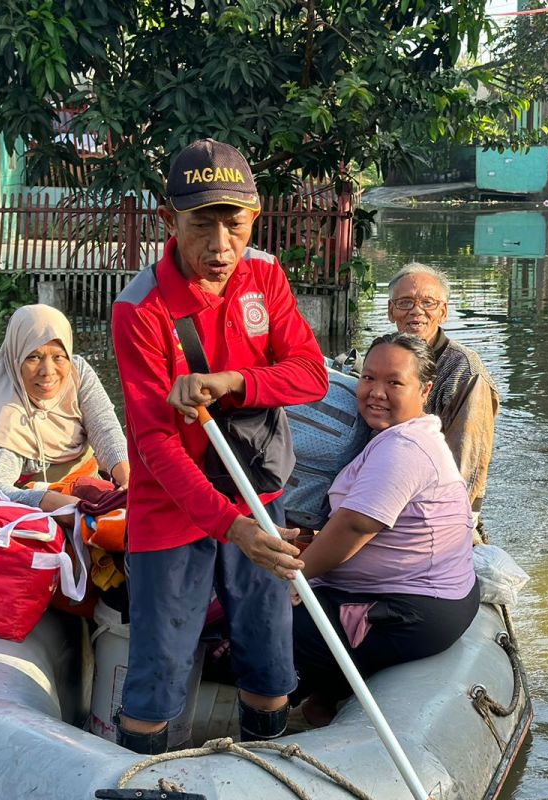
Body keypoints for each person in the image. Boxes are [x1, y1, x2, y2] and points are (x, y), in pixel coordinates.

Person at [111, 138, 329, 754]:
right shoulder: (140, 309)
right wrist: (232, 528)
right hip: (172, 505)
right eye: (200, 225)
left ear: (254, 218)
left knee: (268, 659)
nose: (219, 246)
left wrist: (234, 383)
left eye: (233, 225)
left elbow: (311, 373)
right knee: (158, 673)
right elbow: (153, 443)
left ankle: (268, 770)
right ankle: (141, 773)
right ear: (168, 219)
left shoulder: (265, 275)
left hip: (258, 487)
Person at [291, 332, 480, 728]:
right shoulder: (400, 436)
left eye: (394, 382)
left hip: (411, 610)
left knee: (262, 621)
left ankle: (265, 724)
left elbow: (355, 525)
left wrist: (296, 575)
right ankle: (321, 704)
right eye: (368, 379)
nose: (376, 392)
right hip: (412, 592)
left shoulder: (404, 448)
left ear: (425, 390)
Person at [0, 304, 130, 511]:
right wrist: (54, 503)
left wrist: (128, 483)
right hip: (37, 514)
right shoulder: (0, 418)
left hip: (91, 493)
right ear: (16, 357)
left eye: (58, 356)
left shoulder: (77, 372)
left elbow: (105, 430)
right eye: (33, 357)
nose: (48, 371)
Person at [386, 263, 499, 531]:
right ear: (391, 311)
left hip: (435, 511)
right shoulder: (386, 353)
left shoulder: (465, 371)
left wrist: (456, 526)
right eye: (405, 303)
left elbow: (469, 464)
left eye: (428, 303)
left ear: (443, 312)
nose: (416, 311)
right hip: (391, 489)